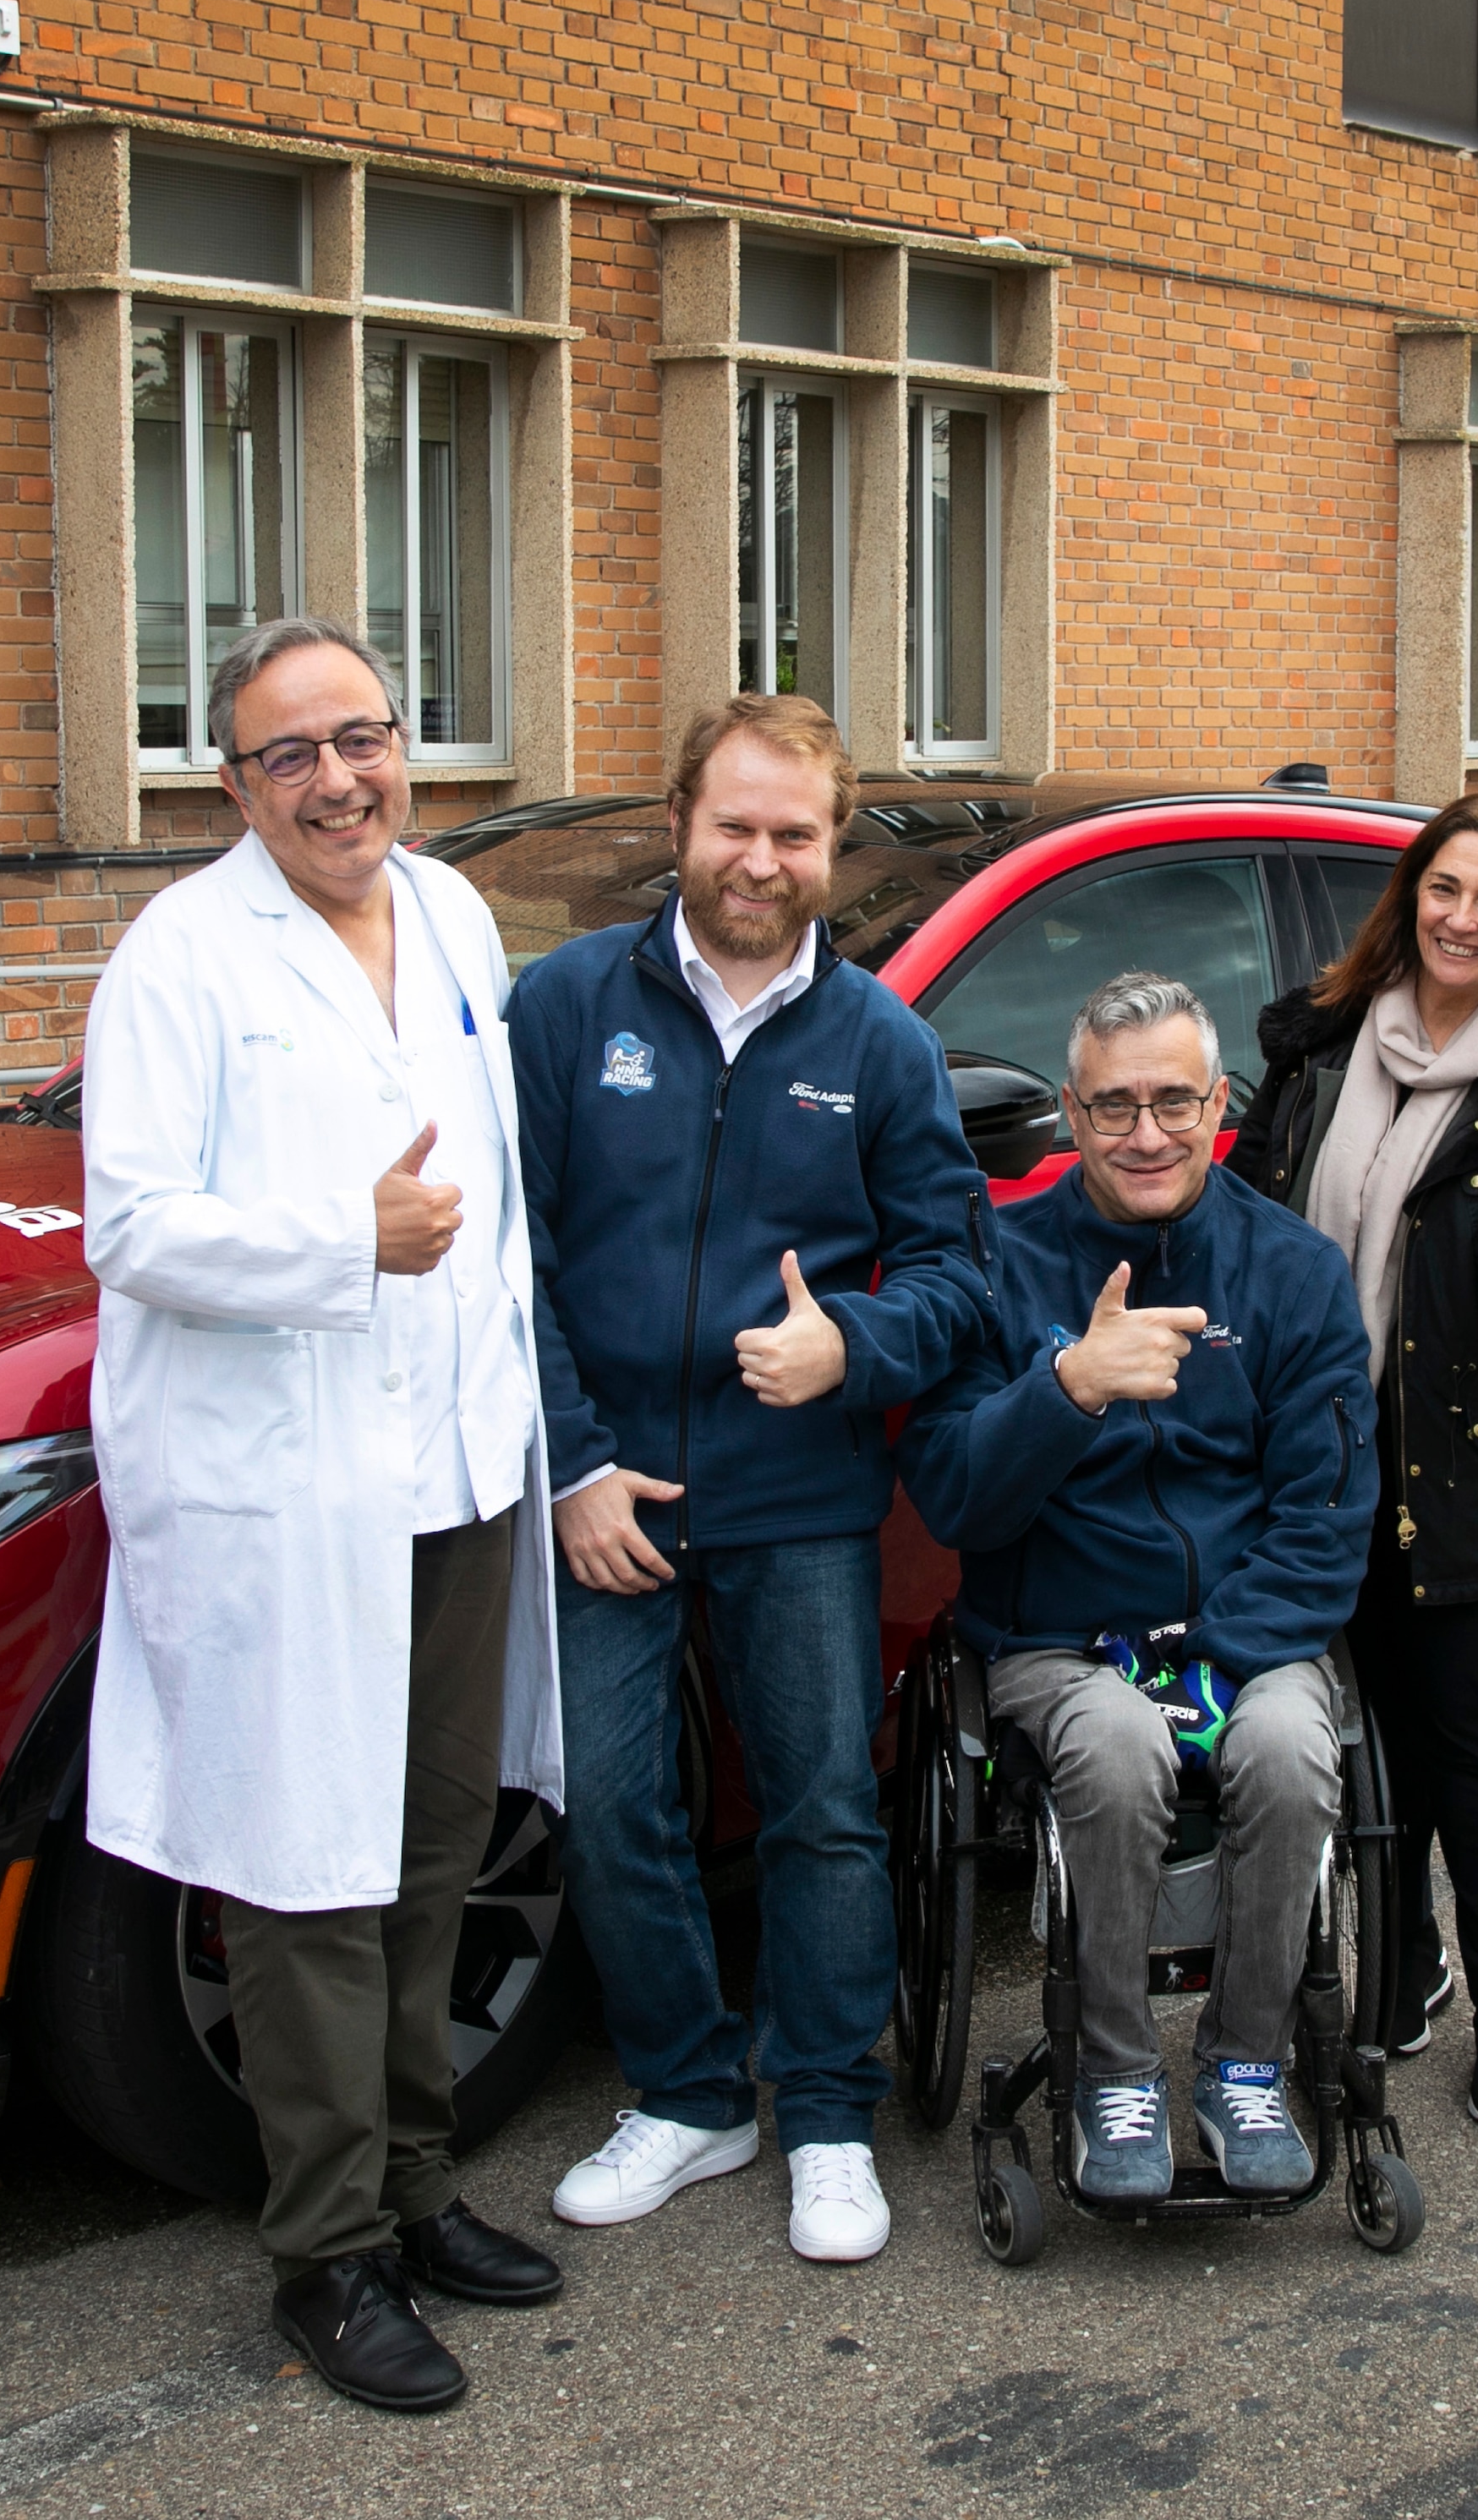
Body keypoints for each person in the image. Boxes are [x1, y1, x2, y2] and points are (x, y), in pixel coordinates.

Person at [79, 617, 565, 2417]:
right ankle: (327, 2251)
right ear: (235, 784)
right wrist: (335, 1242)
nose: (337, 777)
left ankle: (423, 2186)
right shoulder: (180, 957)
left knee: (442, 1840)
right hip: (282, 1489)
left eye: (359, 737)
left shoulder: (449, 913)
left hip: (447, 1468)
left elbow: (496, 1188)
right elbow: (127, 1227)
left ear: (402, 747)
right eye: (289, 754)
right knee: (305, 1881)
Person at [513, 697, 990, 2265]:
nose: (763, 859)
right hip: (613, 1496)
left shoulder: (882, 1045)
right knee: (610, 1810)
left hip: (798, 1498)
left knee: (824, 1814)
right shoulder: (571, 1008)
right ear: (680, 825)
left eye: (796, 834)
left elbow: (955, 1276)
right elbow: (514, 1269)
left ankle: (830, 2114)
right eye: (738, 825)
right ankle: (689, 2092)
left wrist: (846, 1346)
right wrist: (576, 1461)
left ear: (830, 850)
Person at [900, 972, 1379, 2200]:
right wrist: (1069, 1388)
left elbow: (1326, 1508)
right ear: (1070, 1112)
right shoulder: (998, 1267)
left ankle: (1244, 2062)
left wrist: (1215, 1658)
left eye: (1175, 1100)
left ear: (1219, 1100)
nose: (1147, 1132)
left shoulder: (1294, 1270)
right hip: (1060, 1636)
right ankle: (1114, 2071)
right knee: (1115, 1750)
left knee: (1289, 1749)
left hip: (1248, 1636)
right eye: (1114, 1107)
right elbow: (952, 1494)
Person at [1228, 792, 1478, 2131]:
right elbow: (1252, 1206)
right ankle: (1401, 1972)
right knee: (1371, 1741)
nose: (1464, 917)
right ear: (1413, 896)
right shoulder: (1327, 1040)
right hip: (1326, 1455)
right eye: (1446, 889)